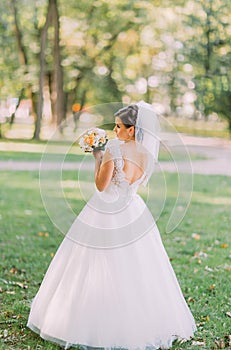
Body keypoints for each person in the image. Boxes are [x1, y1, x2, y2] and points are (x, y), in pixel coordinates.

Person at [27, 101, 196, 349]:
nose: (114, 131)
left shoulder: (115, 148)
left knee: (94, 263)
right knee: (138, 268)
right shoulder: (148, 154)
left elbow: (101, 185)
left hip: (106, 210)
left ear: (132, 129)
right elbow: (133, 181)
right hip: (134, 210)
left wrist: (98, 156)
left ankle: (86, 320)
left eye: (118, 127)